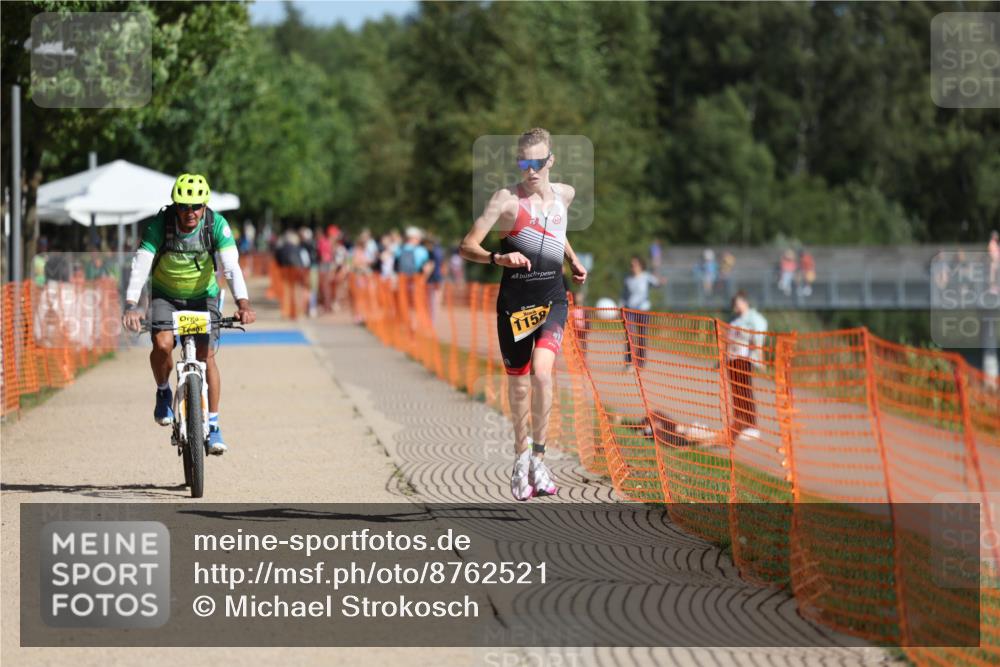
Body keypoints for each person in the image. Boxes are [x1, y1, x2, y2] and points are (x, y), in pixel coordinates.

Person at [460, 127, 587, 501]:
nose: (530, 170)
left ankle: (540, 459)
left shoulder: (565, 194)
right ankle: (520, 456)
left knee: (543, 375)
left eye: (537, 162)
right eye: (523, 163)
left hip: (552, 300)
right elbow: (467, 245)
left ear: (551, 161)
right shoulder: (506, 201)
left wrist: (573, 259)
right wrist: (498, 257)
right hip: (515, 305)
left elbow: (557, 227)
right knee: (519, 384)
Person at [122, 173, 256, 455]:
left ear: (205, 206)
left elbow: (230, 266)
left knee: (207, 358)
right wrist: (131, 304)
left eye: (196, 206)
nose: (190, 212)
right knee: (162, 344)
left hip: (203, 297)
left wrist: (243, 303)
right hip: (165, 295)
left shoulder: (216, 225)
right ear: (175, 205)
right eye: (183, 206)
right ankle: (162, 391)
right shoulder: (161, 225)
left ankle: (214, 424)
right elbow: (141, 264)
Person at [726, 291, 767, 444]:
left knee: (745, 392)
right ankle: (739, 423)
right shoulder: (735, 321)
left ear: (745, 302)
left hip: (744, 359)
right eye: (735, 304)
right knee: (736, 393)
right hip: (732, 360)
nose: (736, 306)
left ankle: (751, 425)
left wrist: (759, 355)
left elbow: (758, 337)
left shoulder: (754, 319)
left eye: (738, 302)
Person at [621, 256, 659, 368]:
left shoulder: (647, 277)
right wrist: (621, 306)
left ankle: (641, 362)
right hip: (630, 310)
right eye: (631, 265)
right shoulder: (627, 279)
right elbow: (623, 295)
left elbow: (657, 284)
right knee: (630, 336)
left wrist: (659, 279)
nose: (632, 267)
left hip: (643, 310)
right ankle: (629, 362)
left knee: (642, 336)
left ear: (641, 266)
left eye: (635, 265)